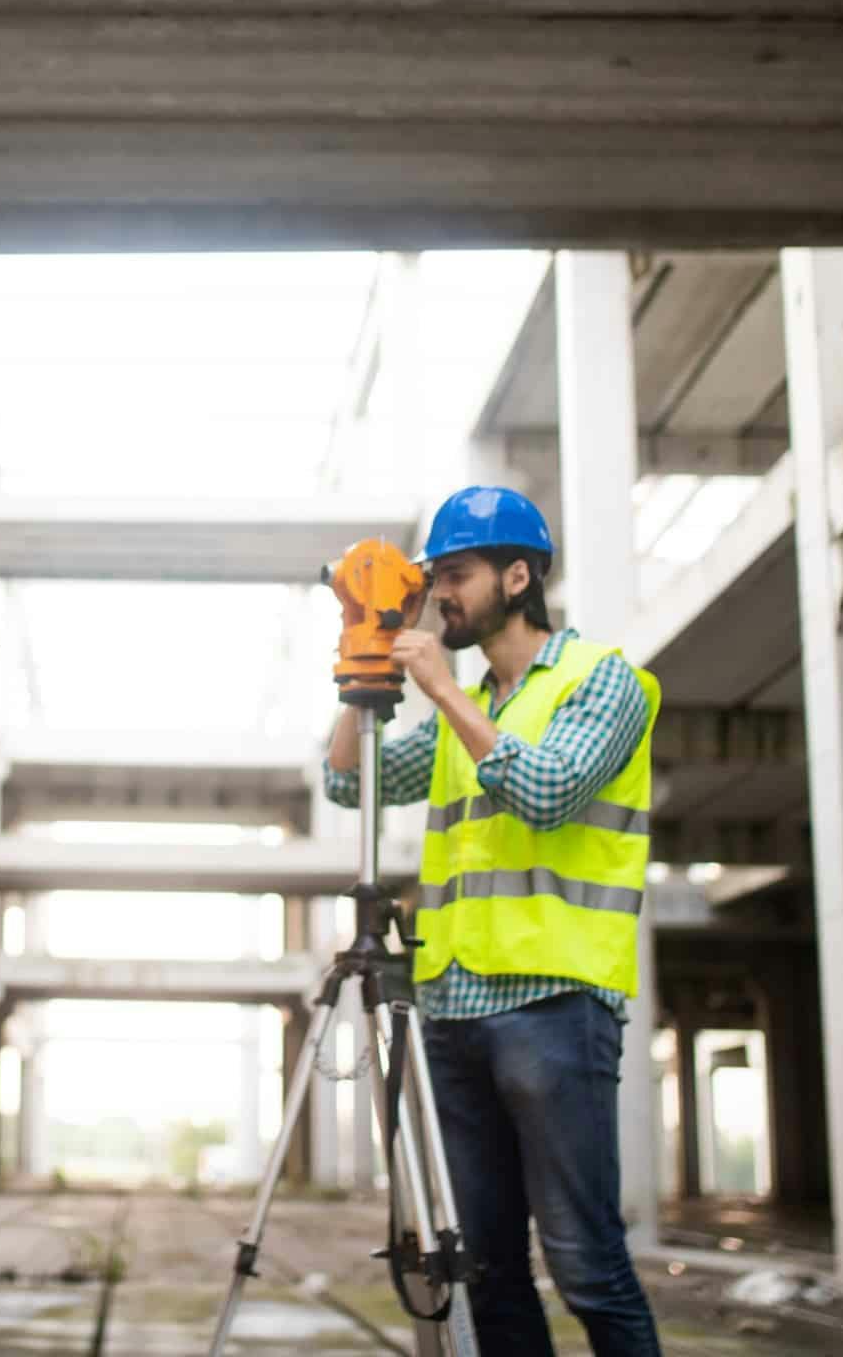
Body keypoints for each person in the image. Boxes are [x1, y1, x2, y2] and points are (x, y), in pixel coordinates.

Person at [323, 485, 663, 1357]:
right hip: (453, 1013)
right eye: (436, 578)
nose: (443, 594)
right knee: (485, 1270)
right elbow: (345, 782)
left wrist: (441, 689)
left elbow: (548, 792)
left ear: (519, 576)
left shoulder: (607, 682)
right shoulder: (452, 717)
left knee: (587, 1266)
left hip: (556, 1007)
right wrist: (362, 659)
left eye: (460, 575)